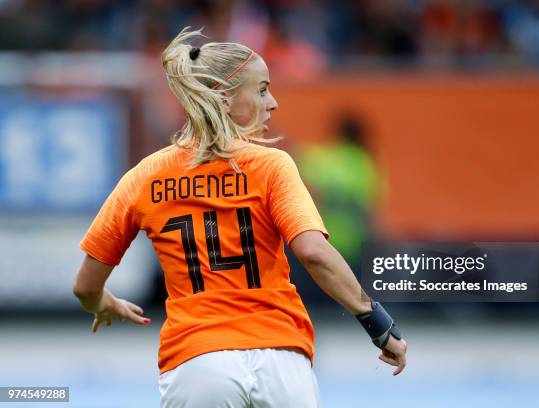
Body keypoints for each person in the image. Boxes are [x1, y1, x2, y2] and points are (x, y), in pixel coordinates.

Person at [73, 27, 407, 408]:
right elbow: (314, 253)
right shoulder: (271, 165)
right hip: (281, 361)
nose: (273, 102)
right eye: (262, 89)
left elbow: (85, 285)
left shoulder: (144, 176)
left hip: (196, 362)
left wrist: (100, 303)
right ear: (224, 99)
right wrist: (378, 323)